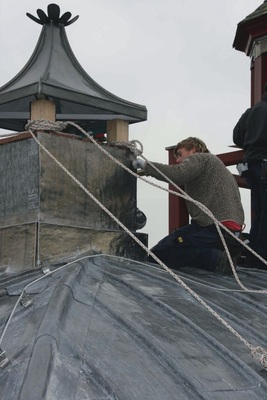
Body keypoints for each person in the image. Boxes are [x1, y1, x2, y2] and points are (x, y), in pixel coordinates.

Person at [132, 137, 245, 275]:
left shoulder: (201, 158)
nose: (178, 160)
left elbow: (178, 173)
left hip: (216, 228)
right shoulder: (215, 167)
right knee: (173, 245)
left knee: (169, 250)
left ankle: (216, 260)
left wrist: (145, 166)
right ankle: (217, 259)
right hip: (223, 230)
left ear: (192, 148)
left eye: (180, 154)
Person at [233, 83, 267, 269]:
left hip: (251, 165)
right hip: (265, 163)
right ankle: (262, 258)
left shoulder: (250, 112)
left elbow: (236, 137)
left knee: (260, 211)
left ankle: (256, 257)